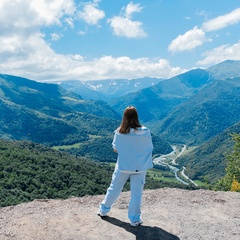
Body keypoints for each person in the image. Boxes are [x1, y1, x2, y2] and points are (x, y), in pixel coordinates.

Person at [98, 106, 153, 227]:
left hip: (123, 166)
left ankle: (104, 210)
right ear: (136, 116)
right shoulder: (145, 131)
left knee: (114, 188)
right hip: (140, 167)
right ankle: (134, 219)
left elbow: (115, 149)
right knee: (136, 194)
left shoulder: (119, 132)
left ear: (124, 117)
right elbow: (149, 148)